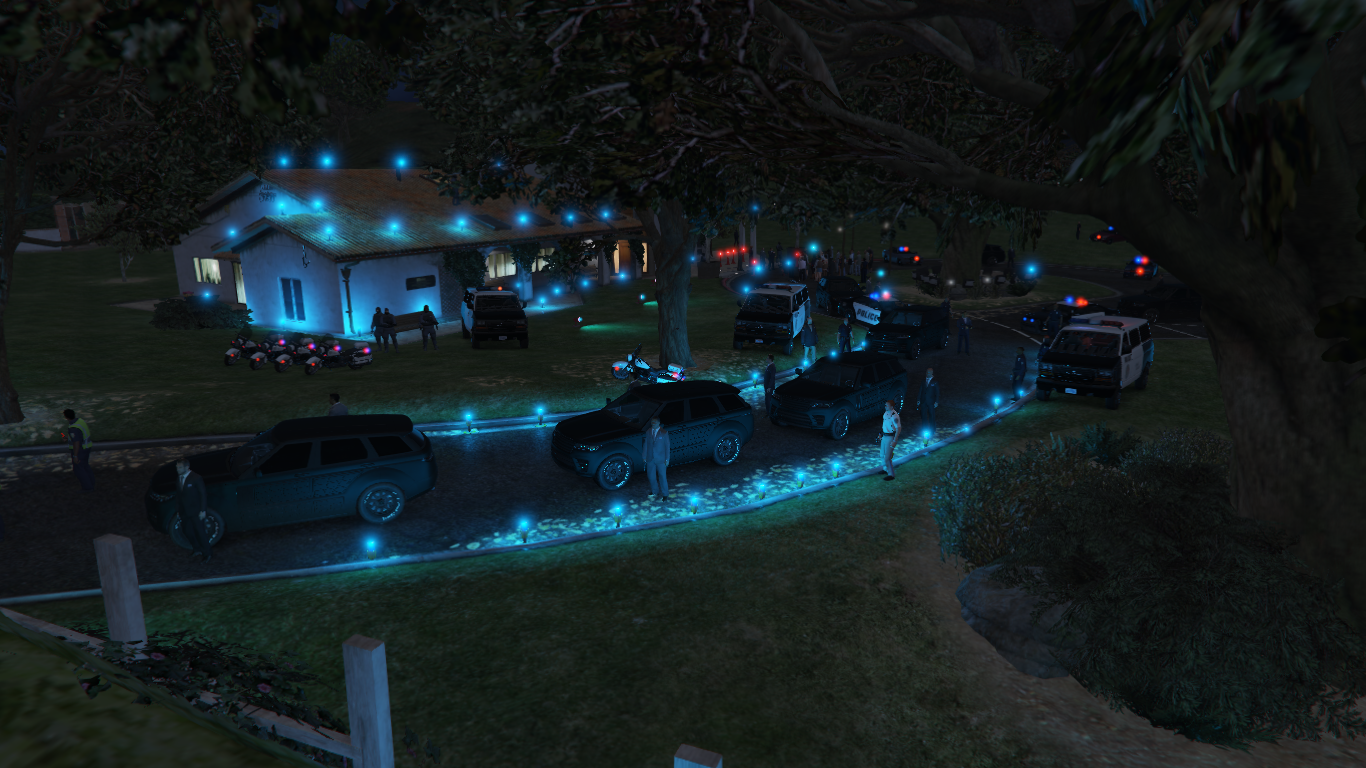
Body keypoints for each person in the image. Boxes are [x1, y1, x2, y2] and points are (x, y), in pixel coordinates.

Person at [175, 458, 214, 562]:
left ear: (187, 467)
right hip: (184, 512)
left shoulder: (196, 478)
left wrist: (203, 510)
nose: (178, 469)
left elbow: (203, 494)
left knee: (200, 532)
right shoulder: (179, 478)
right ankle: (197, 549)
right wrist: (178, 510)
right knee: (187, 531)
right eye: (177, 467)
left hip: (196, 511)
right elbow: (179, 495)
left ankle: (207, 553)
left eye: (180, 467)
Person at [63, 408, 94, 492]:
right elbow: (79, 435)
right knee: (85, 466)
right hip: (87, 447)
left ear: (66, 417)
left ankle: (87, 487)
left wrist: (75, 456)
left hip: (80, 450)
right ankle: (91, 483)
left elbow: (76, 442)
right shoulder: (80, 421)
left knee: (79, 469)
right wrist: (68, 437)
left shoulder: (73, 428)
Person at [643, 417, 671, 500]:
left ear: (659, 423)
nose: (653, 423)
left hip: (661, 459)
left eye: (655, 422)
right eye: (652, 421)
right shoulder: (648, 431)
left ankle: (665, 494)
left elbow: (667, 447)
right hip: (650, 459)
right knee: (651, 476)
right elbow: (645, 445)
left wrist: (667, 459)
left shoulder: (664, 433)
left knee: (662, 477)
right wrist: (644, 456)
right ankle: (655, 491)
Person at [880, 399, 902, 480]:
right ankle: (885, 469)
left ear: (892, 407)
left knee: (887, 457)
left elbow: (898, 428)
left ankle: (891, 474)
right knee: (882, 454)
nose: (885, 406)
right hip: (884, 436)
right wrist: (880, 434)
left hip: (890, 437)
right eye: (885, 405)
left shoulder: (894, 416)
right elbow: (884, 425)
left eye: (887, 405)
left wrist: (895, 440)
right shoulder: (886, 413)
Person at [917, 369, 939, 440]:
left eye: (929, 372)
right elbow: (920, 390)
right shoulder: (923, 381)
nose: (927, 373)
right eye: (927, 372)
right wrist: (918, 399)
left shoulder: (935, 382)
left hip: (931, 402)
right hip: (923, 401)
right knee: (923, 416)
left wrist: (936, 401)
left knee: (932, 416)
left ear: (932, 373)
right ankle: (924, 430)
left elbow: (937, 392)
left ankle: (932, 430)